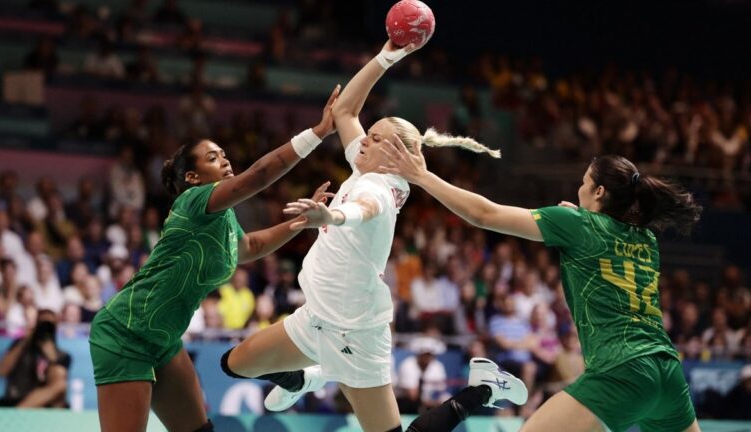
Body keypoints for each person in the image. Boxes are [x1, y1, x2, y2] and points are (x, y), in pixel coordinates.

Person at [220, 40, 523, 432]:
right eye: (370, 134)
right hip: (314, 318)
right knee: (234, 365)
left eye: (376, 138)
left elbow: (362, 210)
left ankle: (481, 390)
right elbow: (345, 109)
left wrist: (331, 214)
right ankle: (306, 378)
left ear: (395, 156)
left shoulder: (379, 187)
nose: (364, 139)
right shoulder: (364, 165)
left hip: (355, 331)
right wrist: (388, 55)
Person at [380, 145, 703, 432]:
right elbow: (608, 247)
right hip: (668, 373)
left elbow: (484, 213)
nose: (579, 188)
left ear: (599, 191)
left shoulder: (576, 224)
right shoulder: (646, 239)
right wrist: (579, 219)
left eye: (583, 183)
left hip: (621, 370)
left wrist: (421, 176)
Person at [88, 86, 340, 432]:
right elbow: (258, 177)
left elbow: (249, 247)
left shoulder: (224, 216)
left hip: (163, 339)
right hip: (125, 335)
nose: (225, 160)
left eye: (223, 154)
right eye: (212, 158)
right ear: (192, 178)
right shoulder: (193, 202)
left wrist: (301, 222)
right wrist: (318, 132)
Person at [0, 309, 71, 408]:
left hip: (44, 402)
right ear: (35, 324)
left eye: (49, 325)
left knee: (60, 376)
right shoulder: (21, 345)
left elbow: (59, 383)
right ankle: (20, 410)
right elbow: (1, 371)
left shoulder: (62, 355)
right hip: (18, 396)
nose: (45, 328)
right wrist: (25, 341)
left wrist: (51, 356)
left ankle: (19, 411)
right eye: (41, 324)